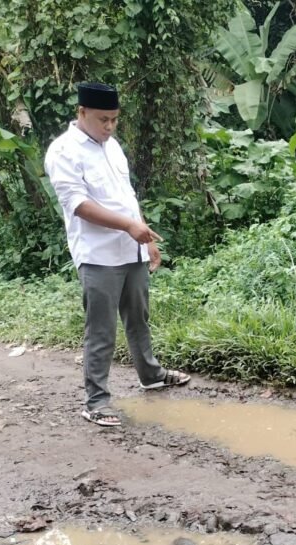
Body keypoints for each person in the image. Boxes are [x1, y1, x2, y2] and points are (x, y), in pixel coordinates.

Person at [44, 81, 190, 427]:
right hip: (98, 256)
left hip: (131, 249)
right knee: (102, 330)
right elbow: (78, 205)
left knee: (138, 318)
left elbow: (127, 196)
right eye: (103, 119)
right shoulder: (63, 151)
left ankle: (151, 375)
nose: (109, 126)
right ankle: (96, 401)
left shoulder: (112, 147)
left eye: (114, 119)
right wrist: (127, 226)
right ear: (82, 112)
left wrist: (145, 237)